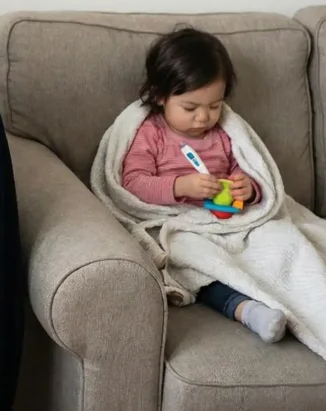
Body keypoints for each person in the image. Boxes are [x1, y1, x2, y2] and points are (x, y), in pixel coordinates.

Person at [120, 27, 287, 343]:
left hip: (229, 222)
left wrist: (249, 187)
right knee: (194, 261)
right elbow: (132, 183)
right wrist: (180, 186)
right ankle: (248, 311)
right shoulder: (151, 134)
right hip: (179, 225)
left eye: (214, 106)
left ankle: (290, 293)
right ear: (160, 95)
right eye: (190, 108)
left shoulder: (224, 134)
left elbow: (247, 168)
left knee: (276, 243)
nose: (203, 118)